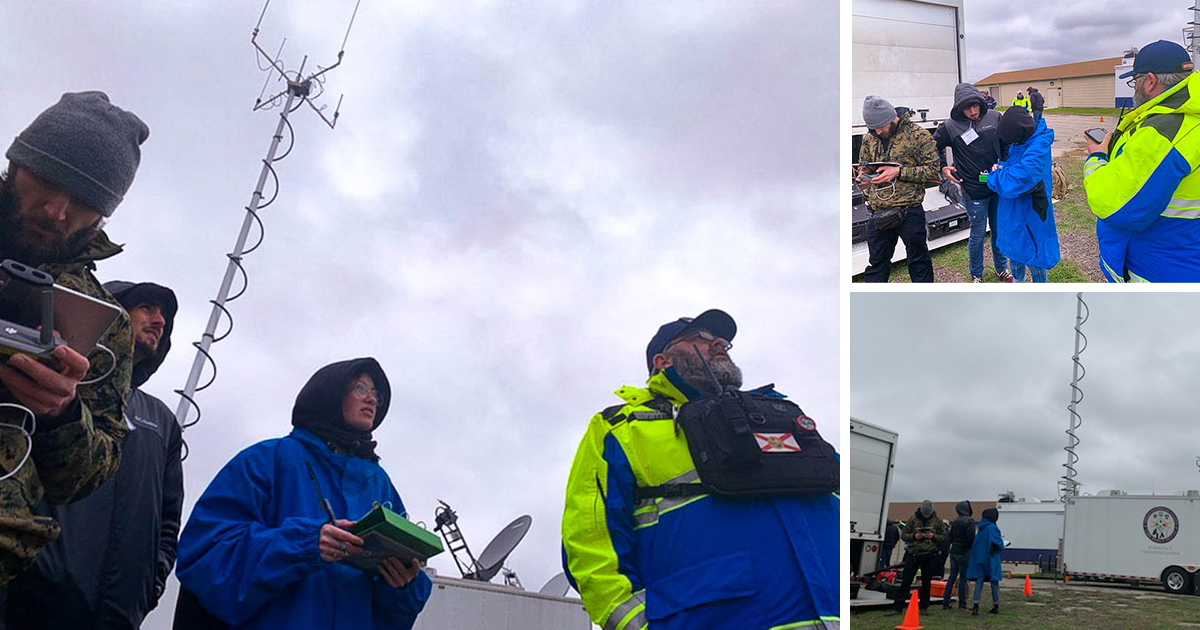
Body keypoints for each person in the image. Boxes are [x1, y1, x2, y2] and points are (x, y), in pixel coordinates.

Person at [561, 309, 839, 630]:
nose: (719, 343)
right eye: (702, 338)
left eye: (722, 340)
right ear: (663, 361)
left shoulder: (781, 415)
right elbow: (591, 548)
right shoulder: (623, 429)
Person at [0, 91, 148, 583]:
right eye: (47, 181)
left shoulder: (104, 324)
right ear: (18, 164)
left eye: (83, 202)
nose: (56, 211)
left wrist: (60, 413)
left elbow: (84, 478)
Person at [175, 358, 431, 629]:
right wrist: (304, 544)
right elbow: (204, 556)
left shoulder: (380, 483)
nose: (371, 399)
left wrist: (403, 587)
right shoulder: (266, 460)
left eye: (376, 394)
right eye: (360, 388)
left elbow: (390, 617)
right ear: (329, 394)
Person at [6, 281, 183, 629]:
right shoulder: (48, 386)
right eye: (146, 307)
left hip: (119, 614)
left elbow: (168, 521)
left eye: (164, 315)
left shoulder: (162, 421)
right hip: (30, 603)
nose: (160, 320)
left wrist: (150, 584)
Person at [1084, 39, 1199, 282]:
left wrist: (1096, 157)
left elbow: (1117, 207)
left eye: (1135, 81)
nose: (1134, 87)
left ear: (1150, 81)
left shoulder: (1165, 132)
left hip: (1160, 271)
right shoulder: (1187, 115)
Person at [933, 83, 1013, 282]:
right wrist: (942, 167)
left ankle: (1001, 268)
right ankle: (976, 275)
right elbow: (933, 147)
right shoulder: (950, 126)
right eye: (967, 108)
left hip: (996, 185)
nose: (973, 111)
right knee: (977, 233)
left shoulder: (994, 117)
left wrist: (1004, 163)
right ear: (959, 108)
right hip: (972, 188)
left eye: (975, 106)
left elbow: (1006, 143)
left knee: (998, 230)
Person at [858, 95, 940, 283]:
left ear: (891, 118)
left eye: (881, 126)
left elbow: (933, 170)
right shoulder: (870, 137)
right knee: (877, 264)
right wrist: (864, 174)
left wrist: (898, 172)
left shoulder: (918, 135)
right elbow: (865, 164)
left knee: (919, 261)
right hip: (878, 210)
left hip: (909, 211)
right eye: (873, 128)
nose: (878, 132)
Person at [987, 105, 1060, 282]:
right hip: (1015, 209)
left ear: (1018, 131)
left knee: (1034, 256)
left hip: (1031, 211)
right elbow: (1014, 165)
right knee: (1015, 251)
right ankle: (1018, 283)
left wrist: (994, 176)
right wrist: (1003, 166)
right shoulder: (1022, 141)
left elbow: (1019, 178)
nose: (1009, 142)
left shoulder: (1038, 145)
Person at [891, 500, 945, 614]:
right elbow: (904, 535)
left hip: (929, 554)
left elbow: (943, 537)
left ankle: (923, 607)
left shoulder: (938, 521)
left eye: (928, 514)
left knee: (926, 582)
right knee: (906, 581)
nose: (926, 515)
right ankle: (897, 607)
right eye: (925, 513)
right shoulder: (913, 519)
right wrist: (914, 536)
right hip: (913, 553)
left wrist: (933, 536)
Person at [967, 507, 1004, 615]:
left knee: (979, 582)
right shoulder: (993, 528)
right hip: (991, 558)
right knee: (994, 582)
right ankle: (996, 605)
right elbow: (998, 544)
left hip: (980, 558)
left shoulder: (981, 528)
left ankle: (975, 605)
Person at [941, 501, 976, 610]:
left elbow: (950, 537)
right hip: (964, 552)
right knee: (963, 579)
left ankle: (946, 602)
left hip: (954, 551)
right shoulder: (970, 521)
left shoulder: (955, 521)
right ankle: (962, 603)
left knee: (952, 577)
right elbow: (971, 537)